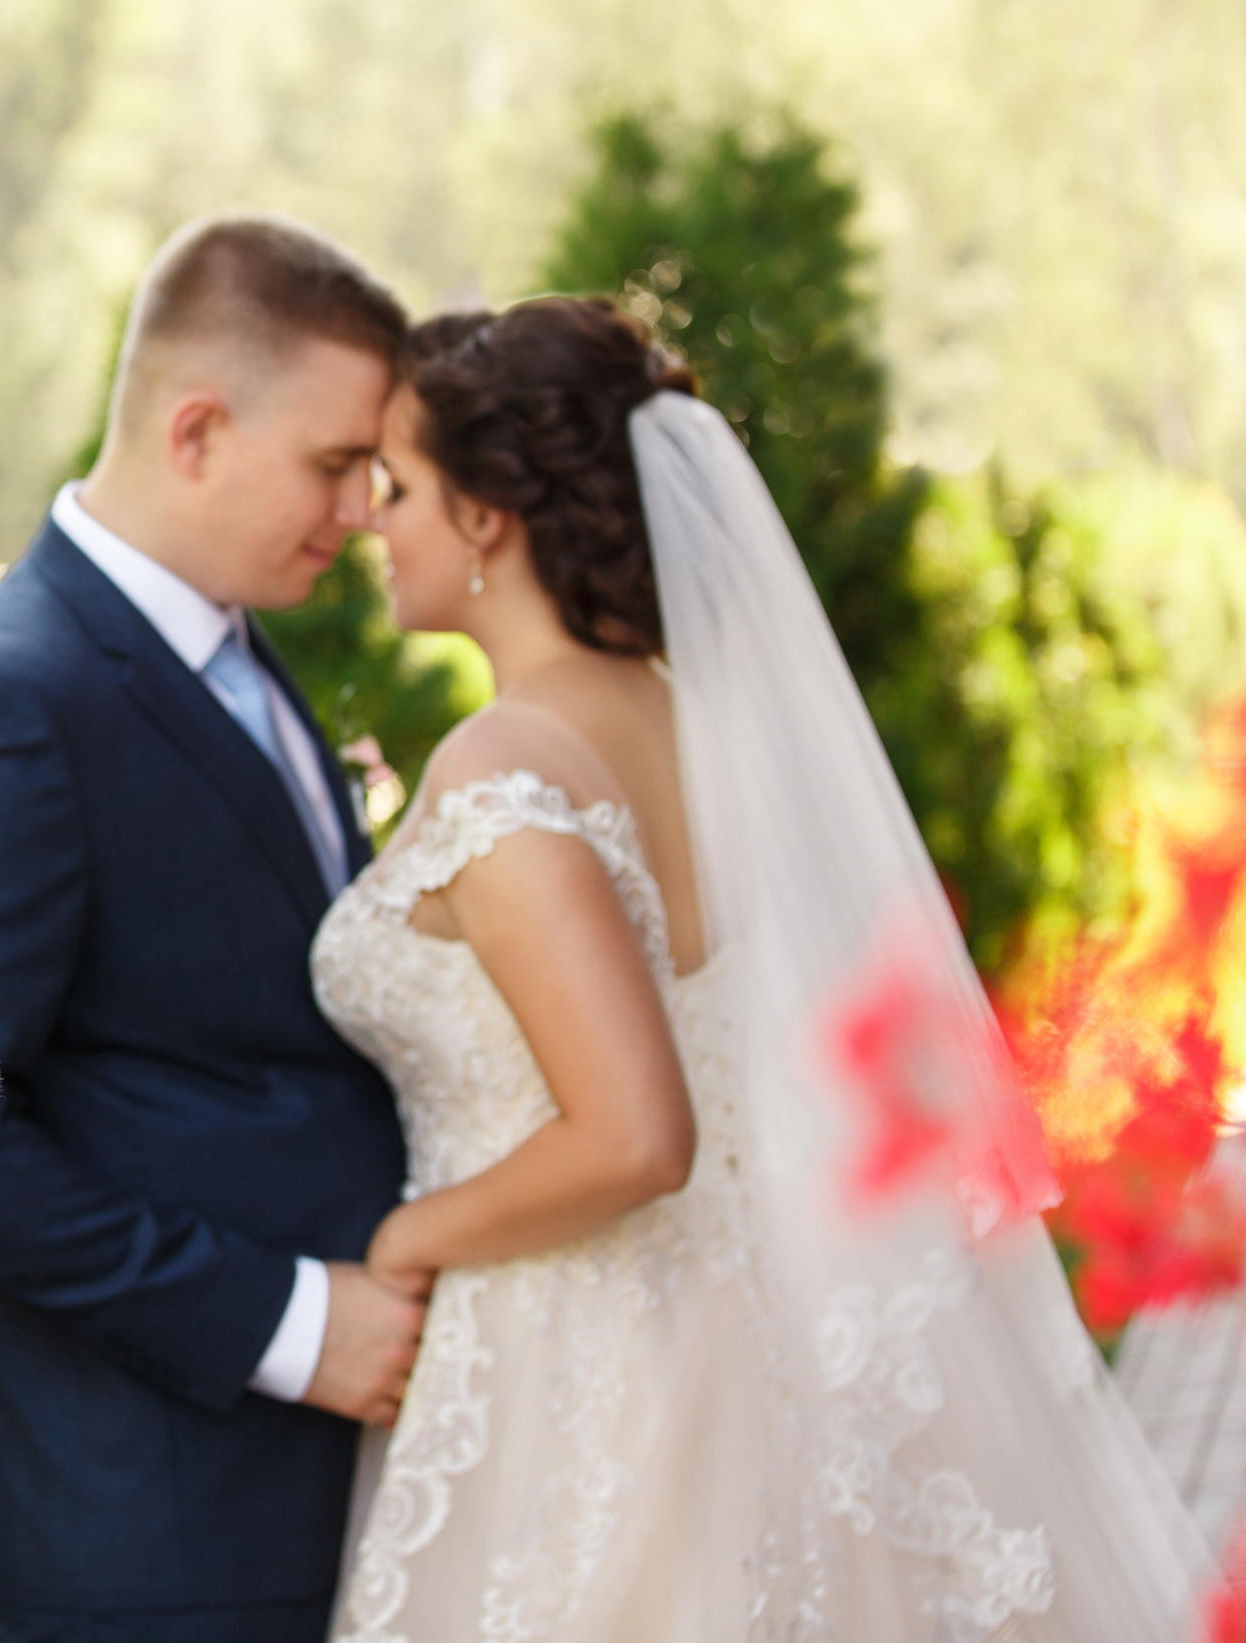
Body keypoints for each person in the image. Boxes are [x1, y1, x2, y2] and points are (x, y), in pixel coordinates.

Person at [318, 295, 1213, 1639]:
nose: (371, 524)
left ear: (487, 517)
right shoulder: (723, 738)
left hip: (578, 1358)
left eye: (400, 486)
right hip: (764, 1334)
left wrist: (403, 1238)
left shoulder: (501, 768)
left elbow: (632, 1136)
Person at [0, 214, 429, 1643]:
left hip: (305, 1497)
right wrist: (282, 1324)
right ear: (200, 428)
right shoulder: (9, 705)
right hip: (152, 1524)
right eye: (338, 465)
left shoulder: (233, 643)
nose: (360, 515)